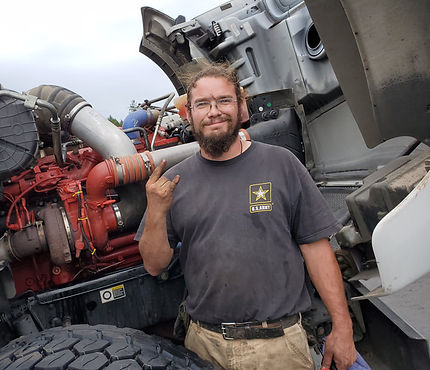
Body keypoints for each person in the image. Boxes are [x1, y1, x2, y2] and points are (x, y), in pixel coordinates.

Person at [137, 63, 357, 369]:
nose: (213, 111)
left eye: (224, 101)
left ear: (242, 108)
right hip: (204, 347)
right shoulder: (172, 182)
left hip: (279, 347)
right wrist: (157, 212)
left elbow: (317, 251)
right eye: (202, 104)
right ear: (189, 114)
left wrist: (343, 327)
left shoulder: (282, 164)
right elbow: (154, 264)